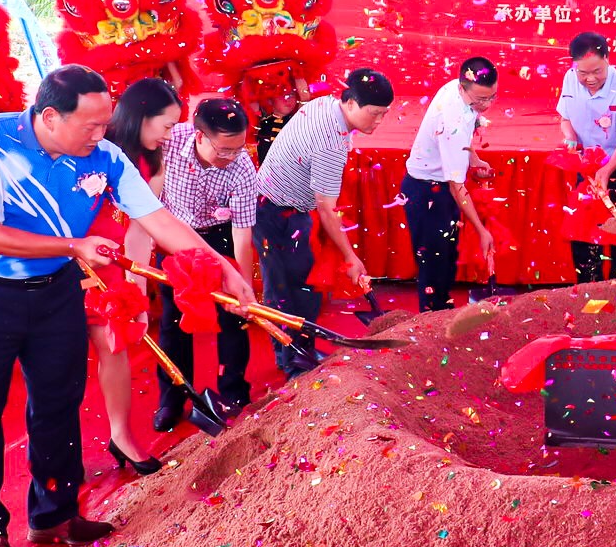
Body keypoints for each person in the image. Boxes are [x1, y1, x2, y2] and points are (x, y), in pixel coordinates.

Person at [0, 64, 253, 547]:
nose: (101, 134)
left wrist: (224, 270)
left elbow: (158, 218)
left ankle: (54, 514)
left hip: (54, 289)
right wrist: (74, 245)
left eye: (105, 122)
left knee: (58, 402)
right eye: (90, 124)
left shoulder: (105, 156)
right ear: (49, 117)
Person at [257, 68, 392, 376]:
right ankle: (292, 363)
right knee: (284, 291)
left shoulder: (326, 104)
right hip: (272, 212)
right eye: (374, 113)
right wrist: (350, 256)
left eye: (384, 114)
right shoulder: (331, 143)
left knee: (303, 288)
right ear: (351, 103)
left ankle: (300, 352)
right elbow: (327, 209)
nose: (379, 121)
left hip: (290, 207)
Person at [155, 96, 263, 424]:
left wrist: (242, 285)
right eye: (225, 150)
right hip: (173, 237)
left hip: (220, 237)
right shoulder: (170, 141)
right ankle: (173, 398)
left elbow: (242, 233)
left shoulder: (243, 168)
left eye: (239, 148)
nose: (233, 157)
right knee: (173, 321)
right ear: (200, 136)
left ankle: (233, 392)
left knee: (231, 319)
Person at [98, 78, 181, 466]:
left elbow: (141, 230)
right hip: (66, 261)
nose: (169, 136)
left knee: (114, 348)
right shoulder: (94, 147)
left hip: (113, 266)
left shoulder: (152, 162)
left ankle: (121, 435)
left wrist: (137, 292)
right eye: (166, 126)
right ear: (142, 116)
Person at [401, 58, 500, 311]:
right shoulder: (451, 118)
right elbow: (457, 187)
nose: (486, 105)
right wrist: (481, 231)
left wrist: (474, 159)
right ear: (461, 87)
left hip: (441, 188)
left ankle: (442, 316)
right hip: (427, 192)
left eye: (492, 97)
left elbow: (466, 134)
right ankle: (430, 323)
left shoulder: (460, 92)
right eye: (480, 99)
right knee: (433, 271)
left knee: (447, 261)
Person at [556, 32, 616, 282]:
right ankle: (587, 290)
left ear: (607, 59)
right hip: (587, 167)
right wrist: (570, 138)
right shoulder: (570, 79)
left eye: (597, 71)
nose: (590, 79)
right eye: (583, 73)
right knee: (584, 233)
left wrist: (606, 171)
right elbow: (565, 118)